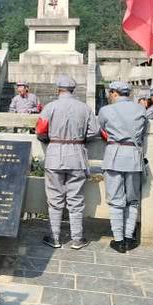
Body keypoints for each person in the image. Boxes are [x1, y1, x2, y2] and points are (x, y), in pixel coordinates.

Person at [36, 75, 99, 250]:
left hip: (55, 154)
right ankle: (77, 238)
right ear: (73, 90)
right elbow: (94, 131)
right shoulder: (85, 108)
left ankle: (55, 237)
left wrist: (50, 139)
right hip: (77, 155)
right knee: (76, 199)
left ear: (58, 89)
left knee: (54, 199)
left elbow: (40, 130)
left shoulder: (50, 107)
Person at [98, 81, 148, 253]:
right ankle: (129, 237)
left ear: (114, 93)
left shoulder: (106, 110)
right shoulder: (141, 110)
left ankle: (118, 240)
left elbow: (102, 129)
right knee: (132, 200)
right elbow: (143, 132)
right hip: (134, 156)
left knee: (115, 200)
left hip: (113, 156)